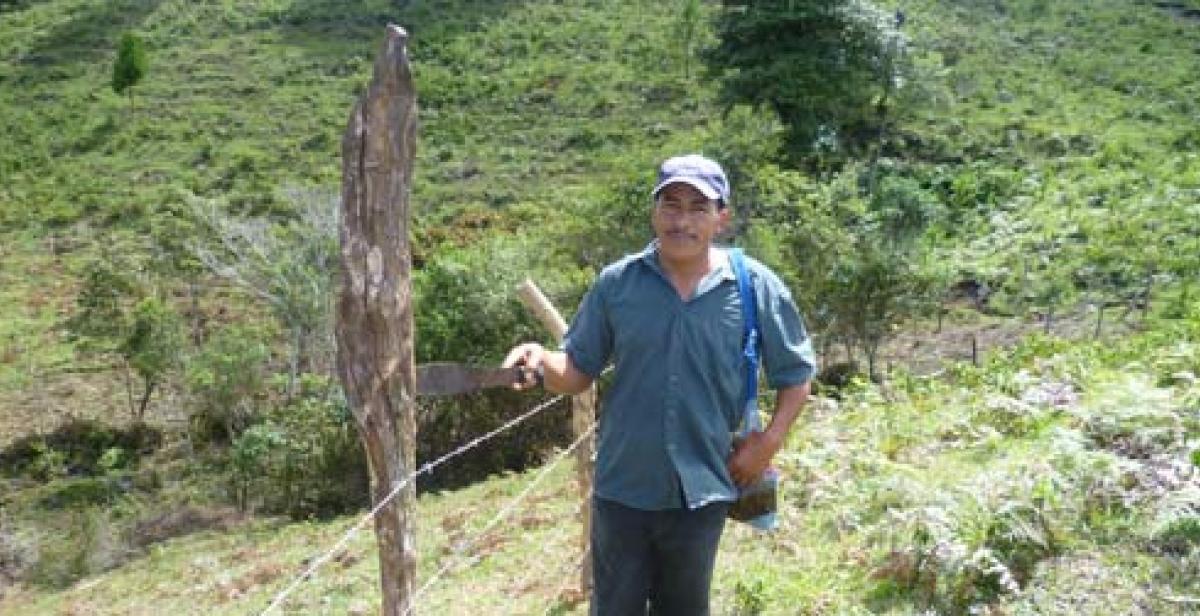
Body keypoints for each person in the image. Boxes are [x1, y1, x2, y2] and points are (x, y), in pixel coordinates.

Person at [504, 154, 816, 615]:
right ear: (654, 211)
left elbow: (797, 374)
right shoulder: (618, 284)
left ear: (721, 218)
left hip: (705, 487)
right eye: (671, 205)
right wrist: (539, 357)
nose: (682, 220)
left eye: (698, 208)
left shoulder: (754, 287)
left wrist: (768, 443)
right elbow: (576, 371)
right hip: (622, 489)